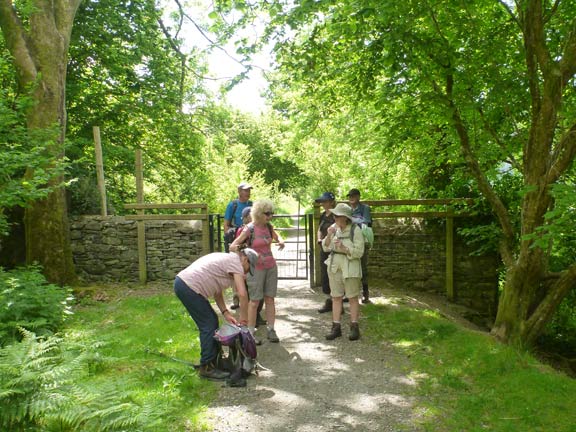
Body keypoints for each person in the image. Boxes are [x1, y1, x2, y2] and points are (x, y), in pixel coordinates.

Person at [173, 248, 258, 380]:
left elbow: (217, 292)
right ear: (245, 259)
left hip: (184, 284)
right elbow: (242, 294)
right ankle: (207, 367)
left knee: (211, 320)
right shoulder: (236, 262)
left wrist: (225, 312)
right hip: (188, 286)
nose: (246, 273)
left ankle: (214, 362)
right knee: (208, 324)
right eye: (248, 269)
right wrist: (244, 320)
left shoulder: (229, 263)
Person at [229, 199, 285, 343]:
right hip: (256, 269)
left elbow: (276, 235)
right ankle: (250, 333)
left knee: (270, 298)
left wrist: (281, 241)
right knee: (254, 301)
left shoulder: (269, 227)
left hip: (270, 266)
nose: (270, 216)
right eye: (267, 213)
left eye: (271, 213)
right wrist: (247, 252)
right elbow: (233, 246)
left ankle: (271, 329)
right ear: (259, 213)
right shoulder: (249, 229)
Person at [322, 203, 365, 341]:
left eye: (338, 216)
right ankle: (336, 327)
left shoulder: (355, 230)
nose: (335, 218)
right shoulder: (334, 229)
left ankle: (354, 327)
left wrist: (345, 248)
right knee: (335, 297)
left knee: (352, 297)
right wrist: (328, 235)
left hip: (350, 268)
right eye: (334, 215)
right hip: (335, 267)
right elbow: (325, 247)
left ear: (345, 218)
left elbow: (359, 252)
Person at [233, 206, 266, 327]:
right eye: (251, 215)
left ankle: (256, 316)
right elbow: (237, 247)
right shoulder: (243, 231)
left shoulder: (260, 229)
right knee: (250, 292)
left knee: (259, 292)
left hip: (259, 264)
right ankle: (251, 318)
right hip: (248, 264)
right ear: (246, 217)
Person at [347, 188, 372, 304]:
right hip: (349, 240)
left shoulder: (365, 208)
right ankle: (351, 294)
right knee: (349, 267)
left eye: (353, 196)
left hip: (361, 240)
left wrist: (351, 220)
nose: (351, 198)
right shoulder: (347, 209)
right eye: (350, 196)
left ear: (358, 197)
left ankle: (365, 293)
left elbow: (365, 222)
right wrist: (356, 220)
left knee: (363, 267)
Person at [315, 192, 336, 313]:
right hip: (323, 248)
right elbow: (319, 229)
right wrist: (319, 238)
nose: (323, 204)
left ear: (331, 202)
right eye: (322, 202)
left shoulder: (336, 215)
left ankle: (336, 302)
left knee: (334, 274)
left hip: (333, 249)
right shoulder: (323, 215)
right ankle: (330, 301)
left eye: (325, 201)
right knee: (325, 274)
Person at [223, 182, 253, 253]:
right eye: (245, 190)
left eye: (249, 190)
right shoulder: (233, 205)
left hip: (250, 238)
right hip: (236, 238)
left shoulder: (252, 205)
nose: (248, 193)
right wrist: (230, 239)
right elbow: (226, 225)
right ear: (239, 191)